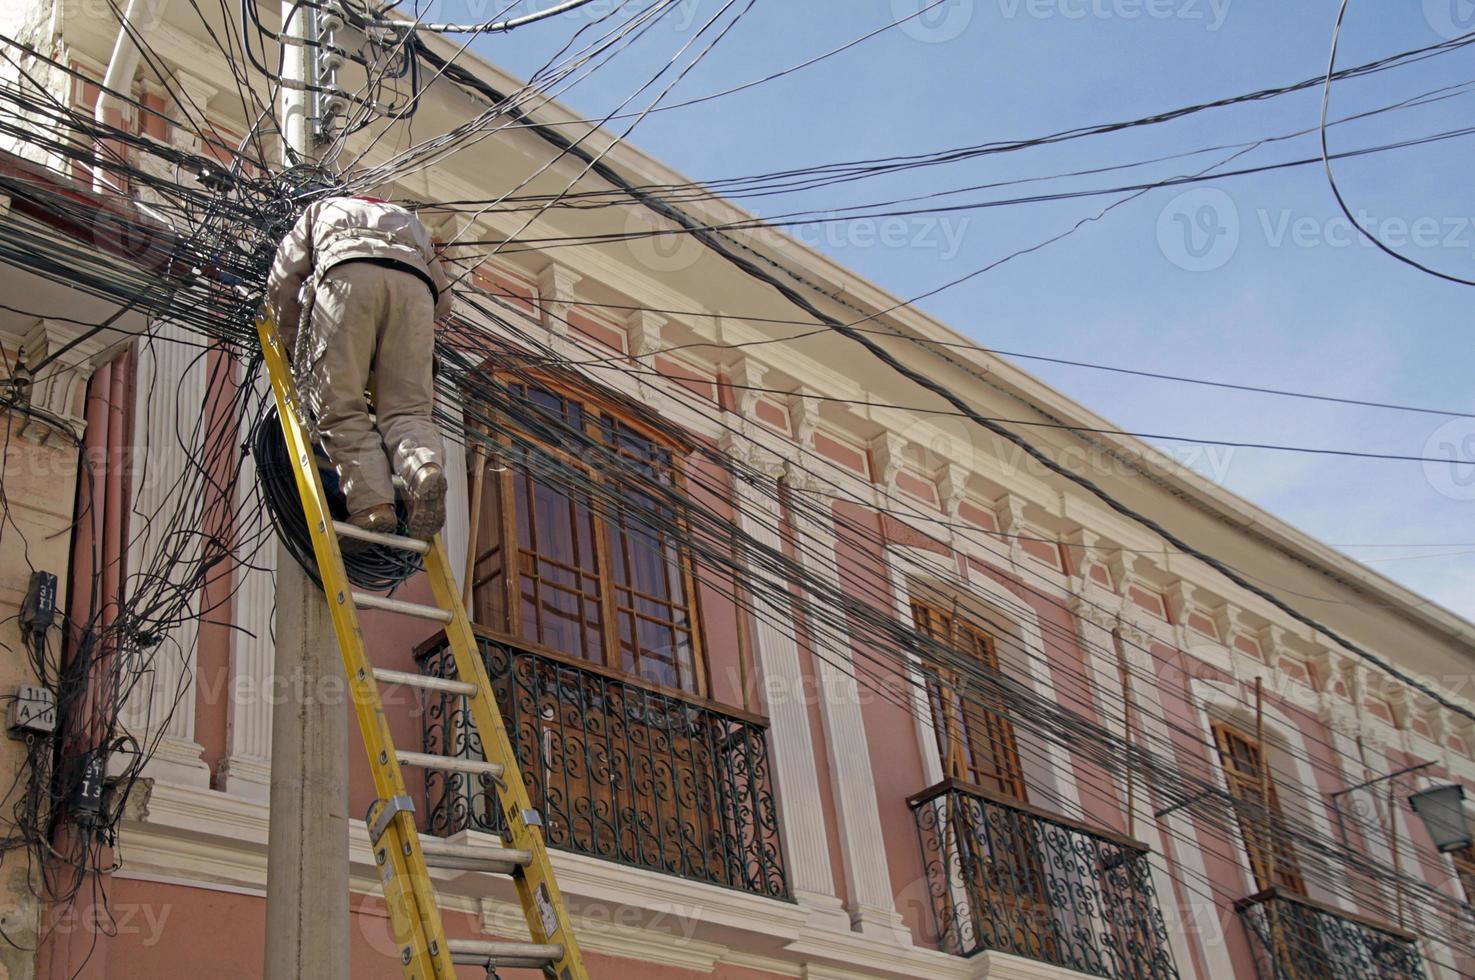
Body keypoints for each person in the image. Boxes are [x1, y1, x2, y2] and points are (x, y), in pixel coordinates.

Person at [266, 194, 453, 540]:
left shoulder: (319, 210)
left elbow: (283, 280)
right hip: (416, 292)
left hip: (346, 278)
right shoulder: (407, 220)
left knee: (339, 408)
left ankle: (372, 506)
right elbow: (444, 300)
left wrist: (296, 348)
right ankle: (424, 468)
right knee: (409, 410)